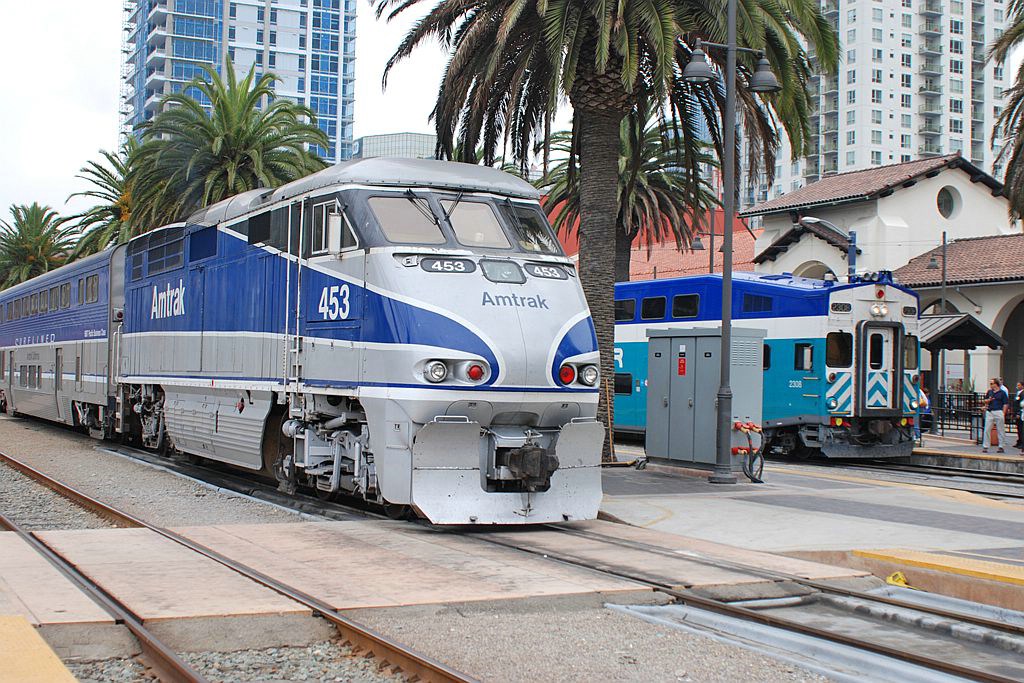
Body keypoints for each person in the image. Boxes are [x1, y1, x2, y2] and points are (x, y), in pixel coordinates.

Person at [982, 378, 1009, 453]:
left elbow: (1005, 403)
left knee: (1000, 429)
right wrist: (987, 401)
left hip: (998, 411)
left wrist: (1003, 413)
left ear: (996, 384)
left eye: (992, 383)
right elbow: (985, 400)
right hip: (990, 411)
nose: (990, 385)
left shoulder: (1002, 393)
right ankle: (985, 446)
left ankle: (1001, 446)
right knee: (987, 429)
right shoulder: (989, 392)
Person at [1015, 382, 1024, 449]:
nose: (1017, 386)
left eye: (1019, 385)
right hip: (1018, 412)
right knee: (1019, 428)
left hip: (1021, 413)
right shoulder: (1018, 393)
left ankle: (1021, 442)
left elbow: (1020, 404)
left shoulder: (1022, 393)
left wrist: (1018, 413)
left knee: (1021, 428)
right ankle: (1019, 441)